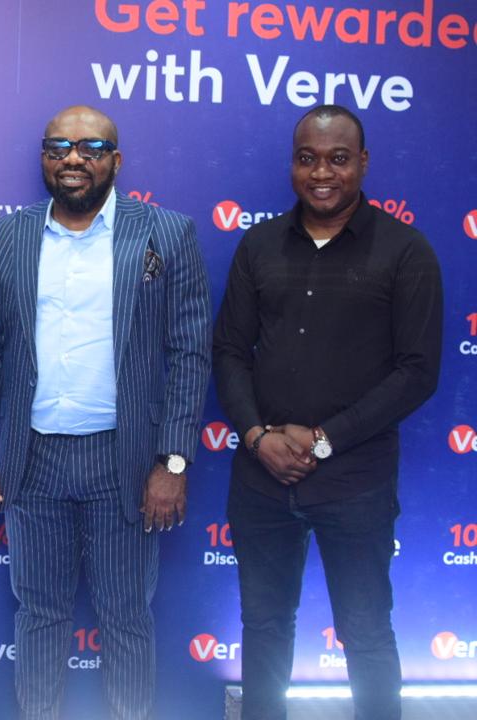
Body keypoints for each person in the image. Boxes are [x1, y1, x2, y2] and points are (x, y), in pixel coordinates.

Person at [0, 105, 212, 720]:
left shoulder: (166, 233)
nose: (73, 158)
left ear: (116, 161)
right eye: (59, 147)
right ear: (44, 159)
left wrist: (173, 462)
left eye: (91, 147)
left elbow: (189, 352)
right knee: (39, 613)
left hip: (124, 458)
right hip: (32, 457)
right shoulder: (12, 235)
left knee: (126, 615)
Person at [213, 104, 442, 720]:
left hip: (355, 483)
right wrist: (257, 436)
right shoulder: (259, 245)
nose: (322, 173)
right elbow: (229, 350)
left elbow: (417, 371)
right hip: (261, 480)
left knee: (365, 632)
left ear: (362, 163)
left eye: (338, 159)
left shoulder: (405, 250)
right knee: (264, 626)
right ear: (292, 164)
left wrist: (322, 439)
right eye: (307, 158)